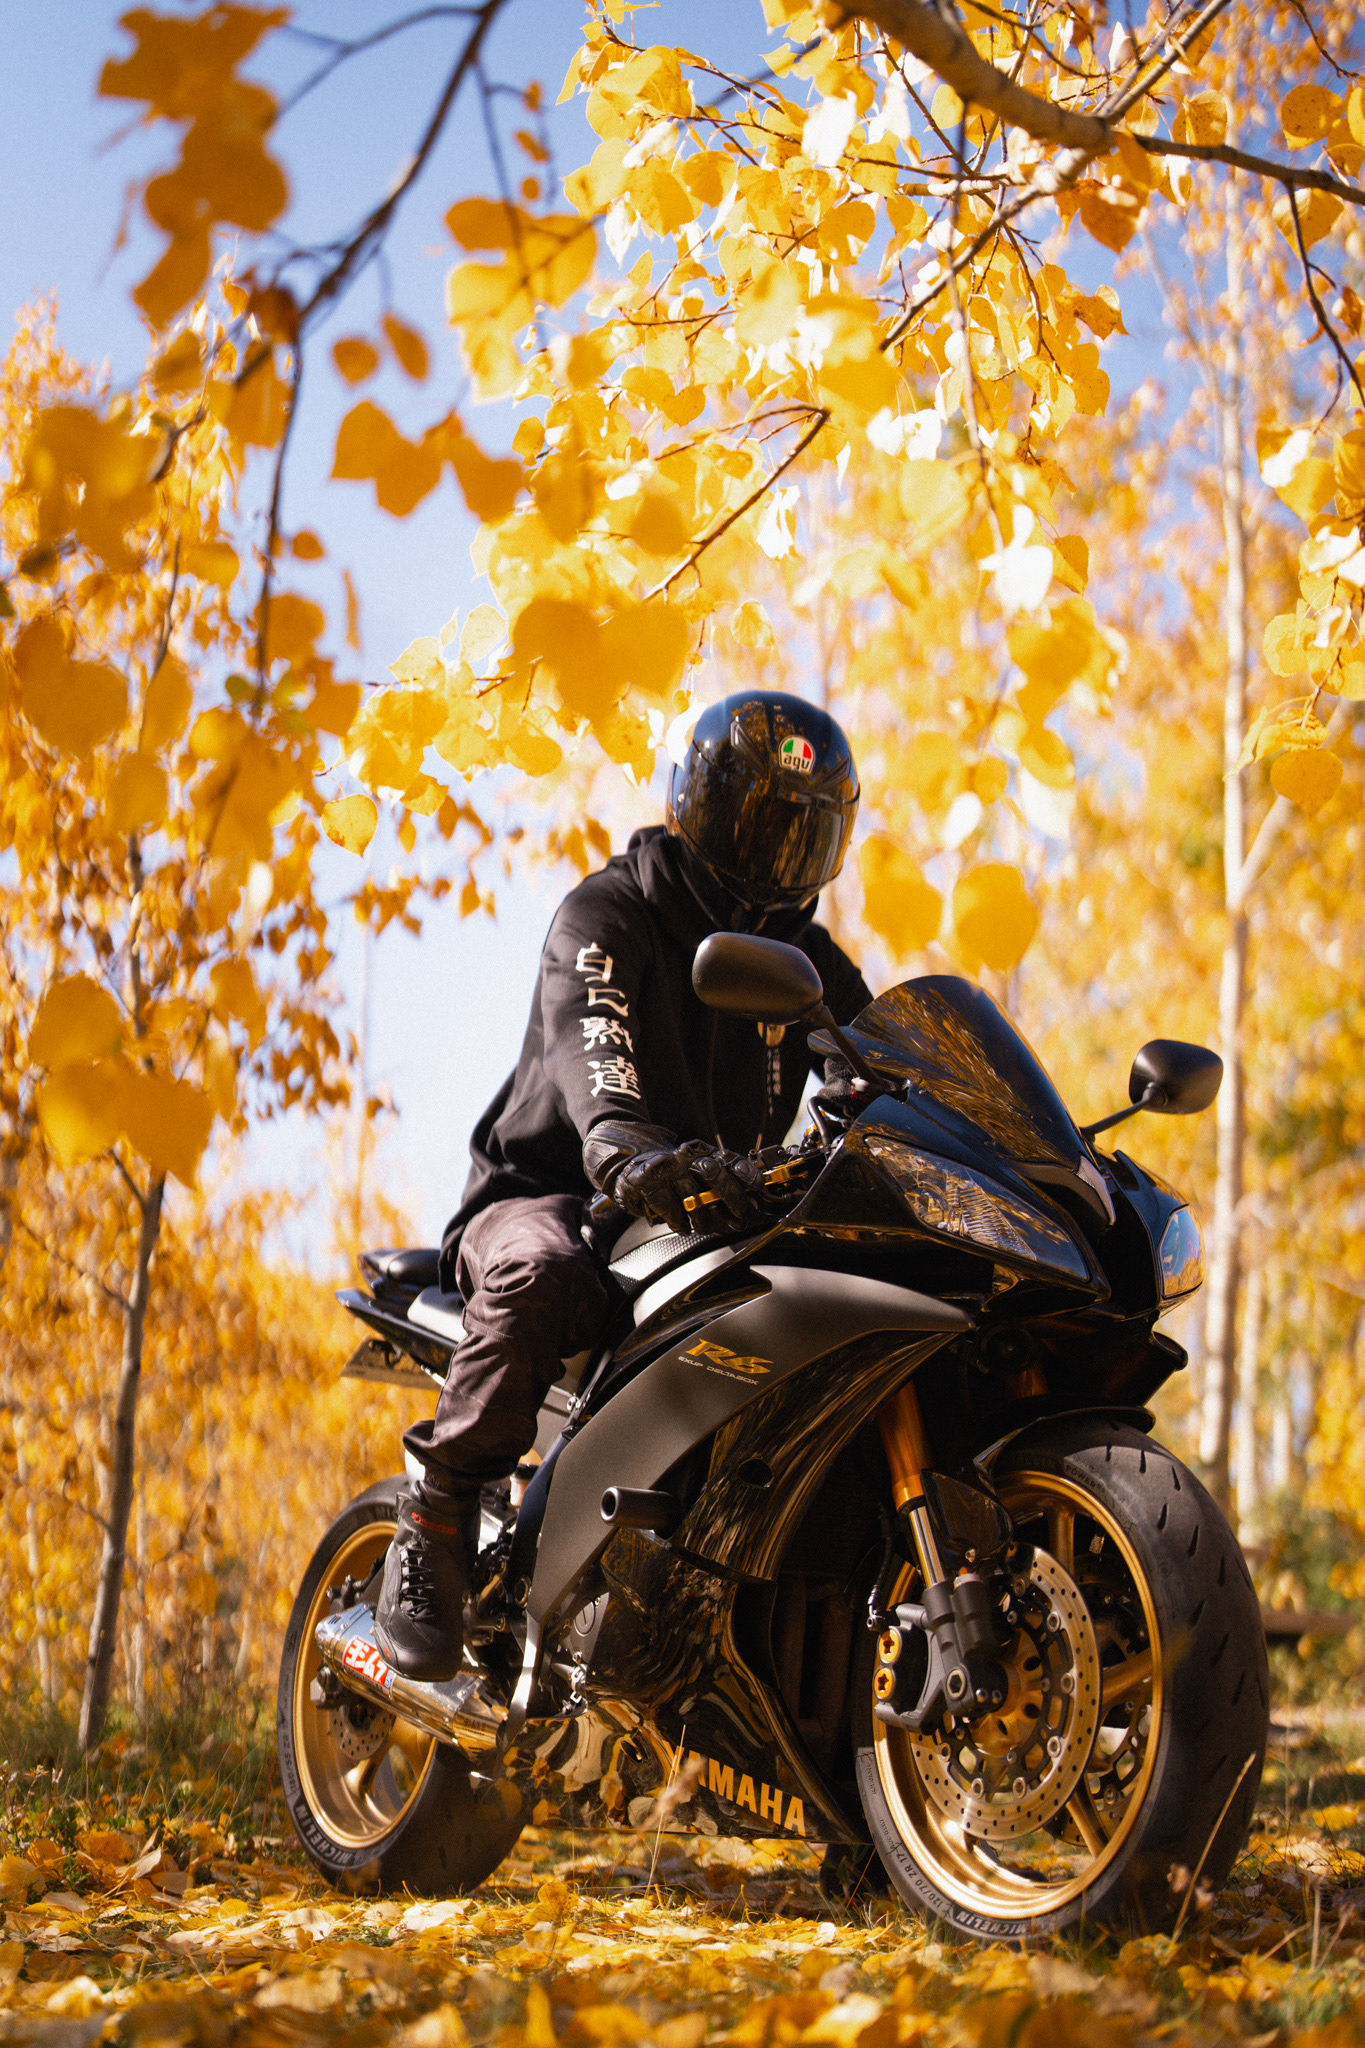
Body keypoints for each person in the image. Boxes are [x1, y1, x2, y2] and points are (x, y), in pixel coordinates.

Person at [374, 690, 872, 1680]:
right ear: (698, 803)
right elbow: (592, 1043)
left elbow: (880, 1068)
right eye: (760, 819)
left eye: (803, 831)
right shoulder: (611, 912)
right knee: (541, 1268)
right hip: (557, 1195)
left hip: (708, 1219)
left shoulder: (808, 963)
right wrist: (629, 1151)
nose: (778, 853)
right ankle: (433, 1520)